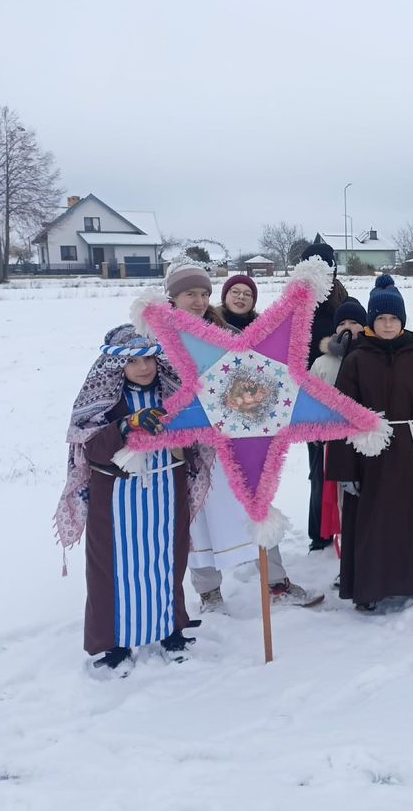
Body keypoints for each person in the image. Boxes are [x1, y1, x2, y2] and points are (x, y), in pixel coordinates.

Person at [162, 258, 321, 611]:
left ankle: (275, 581)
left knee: (257, 506)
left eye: (204, 293)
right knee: (197, 521)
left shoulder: (226, 336)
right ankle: (208, 592)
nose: (200, 301)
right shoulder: (159, 340)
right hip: (189, 450)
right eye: (190, 294)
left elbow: (256, 378)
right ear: (173, 297)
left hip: (236, 445)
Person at [53, 325, 201, 674]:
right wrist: (126, 425)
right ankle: (114, 643)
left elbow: (197, 435)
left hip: (166, 491)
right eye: (134, 361)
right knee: (112, 571)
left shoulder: (172, 391)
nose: (144, 368)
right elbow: (88, 448)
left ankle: (171, 631)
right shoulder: (104, 398)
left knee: (168, 561)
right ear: (117, 365)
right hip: (118, 498)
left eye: (149, 358)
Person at [327, 275, 413, 610]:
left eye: (393, 318)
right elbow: (342, 414)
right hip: (368, 455)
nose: (387, 324)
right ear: (371, 321)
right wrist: (345, 470)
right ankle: (369, 588)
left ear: (402, 321)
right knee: (371, 523)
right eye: (381, 318)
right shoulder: (356, 359)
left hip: (411, 453)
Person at [309, 298, 368, 572]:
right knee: (344, 502)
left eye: (354, 321)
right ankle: (348, 564)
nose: (348, 327)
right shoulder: (323, 363)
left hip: (369, 441)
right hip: (336, 444)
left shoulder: (374, 356)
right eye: (342, 323)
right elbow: (310, 402)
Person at [301, 241, 350, 552]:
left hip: (342, 392)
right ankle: (319, 531)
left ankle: (346, 524)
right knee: (318, 467)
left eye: (325, 265)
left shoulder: (342, 300)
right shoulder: (296, 304)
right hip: (308, 397)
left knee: (344, 467)